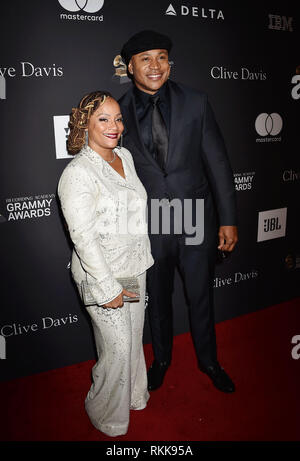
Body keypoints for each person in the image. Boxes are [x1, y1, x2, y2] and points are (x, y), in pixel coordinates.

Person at [118, 30, 238, 393]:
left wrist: (229, 219)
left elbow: (218, 162)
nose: (155, 66)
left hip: (194, 216)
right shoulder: (116, 112)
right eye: (145, 59)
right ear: (129, 67)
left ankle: (209, 361)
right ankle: (163, 359)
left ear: (169, 63)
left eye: (162, 57)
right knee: (157, 296)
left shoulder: (196, 101)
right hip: (150, 222)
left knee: (201, 293)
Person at [58, 91, 154, 437]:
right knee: (116, 347)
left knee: (132, 339)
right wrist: (108, 286)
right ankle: (104, 412)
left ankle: (133, 395)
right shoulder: (77, 174)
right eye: (104, 119)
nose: (114, 127)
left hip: (135, 264)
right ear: (86, 124)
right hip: (103, 274)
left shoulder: (124, 155)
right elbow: (83, 238)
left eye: (118, 118)